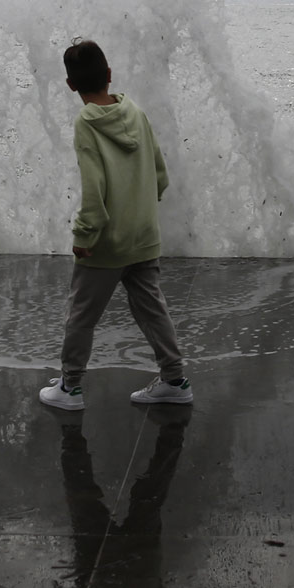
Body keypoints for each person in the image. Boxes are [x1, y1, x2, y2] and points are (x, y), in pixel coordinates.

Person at [39, 39, 194, 411]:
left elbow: (94, 189)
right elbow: (160, 174)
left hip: (106, 242)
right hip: (143, 235)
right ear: (109, 75)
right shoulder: (136, 112)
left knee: (82, 315)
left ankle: (71, 387)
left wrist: (84, 235)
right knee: (152, 309)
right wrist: (140, 207)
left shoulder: (85, 123)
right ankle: (174, 380)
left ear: (70, 85)